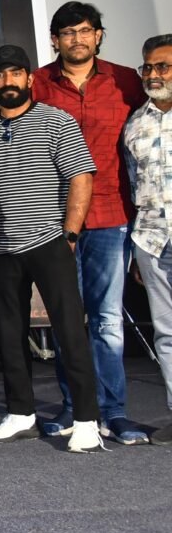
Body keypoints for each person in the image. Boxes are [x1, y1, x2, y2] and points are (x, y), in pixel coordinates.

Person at [0, 45, 103, 453]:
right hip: (1, 246)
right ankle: (21, 414)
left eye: (15, 74)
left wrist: (70, 234)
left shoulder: (56, 121)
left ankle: (86, 420)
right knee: (9, 334)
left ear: (29, 78)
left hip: (49, 242)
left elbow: (81, 177)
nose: (8, 81)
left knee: (69, 331)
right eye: (0, 75)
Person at [31, 1, 148, 444]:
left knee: (107, 319)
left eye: (84, 31)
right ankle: (75, 407)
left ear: (98, 35)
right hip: (55, 221)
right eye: (67, 33)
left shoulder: (126, 81)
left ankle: (114, 412)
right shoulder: (38, 83)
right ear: (55, 40)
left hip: (111, 215)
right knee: (66, 319)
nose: (76, 39)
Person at [122, 34, 172, 446]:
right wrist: (137, 252)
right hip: (153, 240)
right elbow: (133, 182)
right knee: (167, 334)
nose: (154, 74)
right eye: (148, 67)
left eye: (163, 66)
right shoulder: (135, 122)